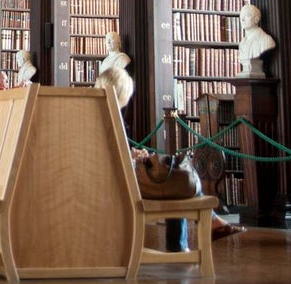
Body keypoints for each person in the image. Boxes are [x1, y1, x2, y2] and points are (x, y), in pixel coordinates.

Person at [95, 65, 244, 246]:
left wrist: (131, 153)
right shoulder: (112, 117)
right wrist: (134, 156)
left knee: (176, 177)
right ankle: (190, 237)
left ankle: (201, 230)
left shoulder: (96, 114)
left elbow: (104, 153)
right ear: (123, 91)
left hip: (109, 180)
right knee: (179, 180)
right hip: (123, 185)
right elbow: (112, 157)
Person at [237, 4, 276, 77]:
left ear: (256, 19)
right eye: (241, 16)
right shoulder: (242, 43)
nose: (242, 19)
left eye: (247, 16)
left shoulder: (266, 40)